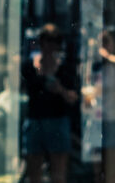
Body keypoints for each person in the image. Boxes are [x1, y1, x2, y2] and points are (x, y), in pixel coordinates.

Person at [22, 24, 78, 183]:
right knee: (34, 172)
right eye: (45, 42)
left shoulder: (65, 69)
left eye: (53, 42)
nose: (48, 46)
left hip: (57, 120)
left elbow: (73, 97)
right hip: (35, 120)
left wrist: (60, 89)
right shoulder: (30, 67)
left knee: (58, 173)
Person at [93, 29, 115, 183]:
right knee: (97, 170)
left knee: (112, 169)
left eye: (106, 42)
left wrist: (107, 57)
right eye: (101, 42)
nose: (103, 46)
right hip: (96, 122)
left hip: (114, 121)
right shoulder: (95, 65)